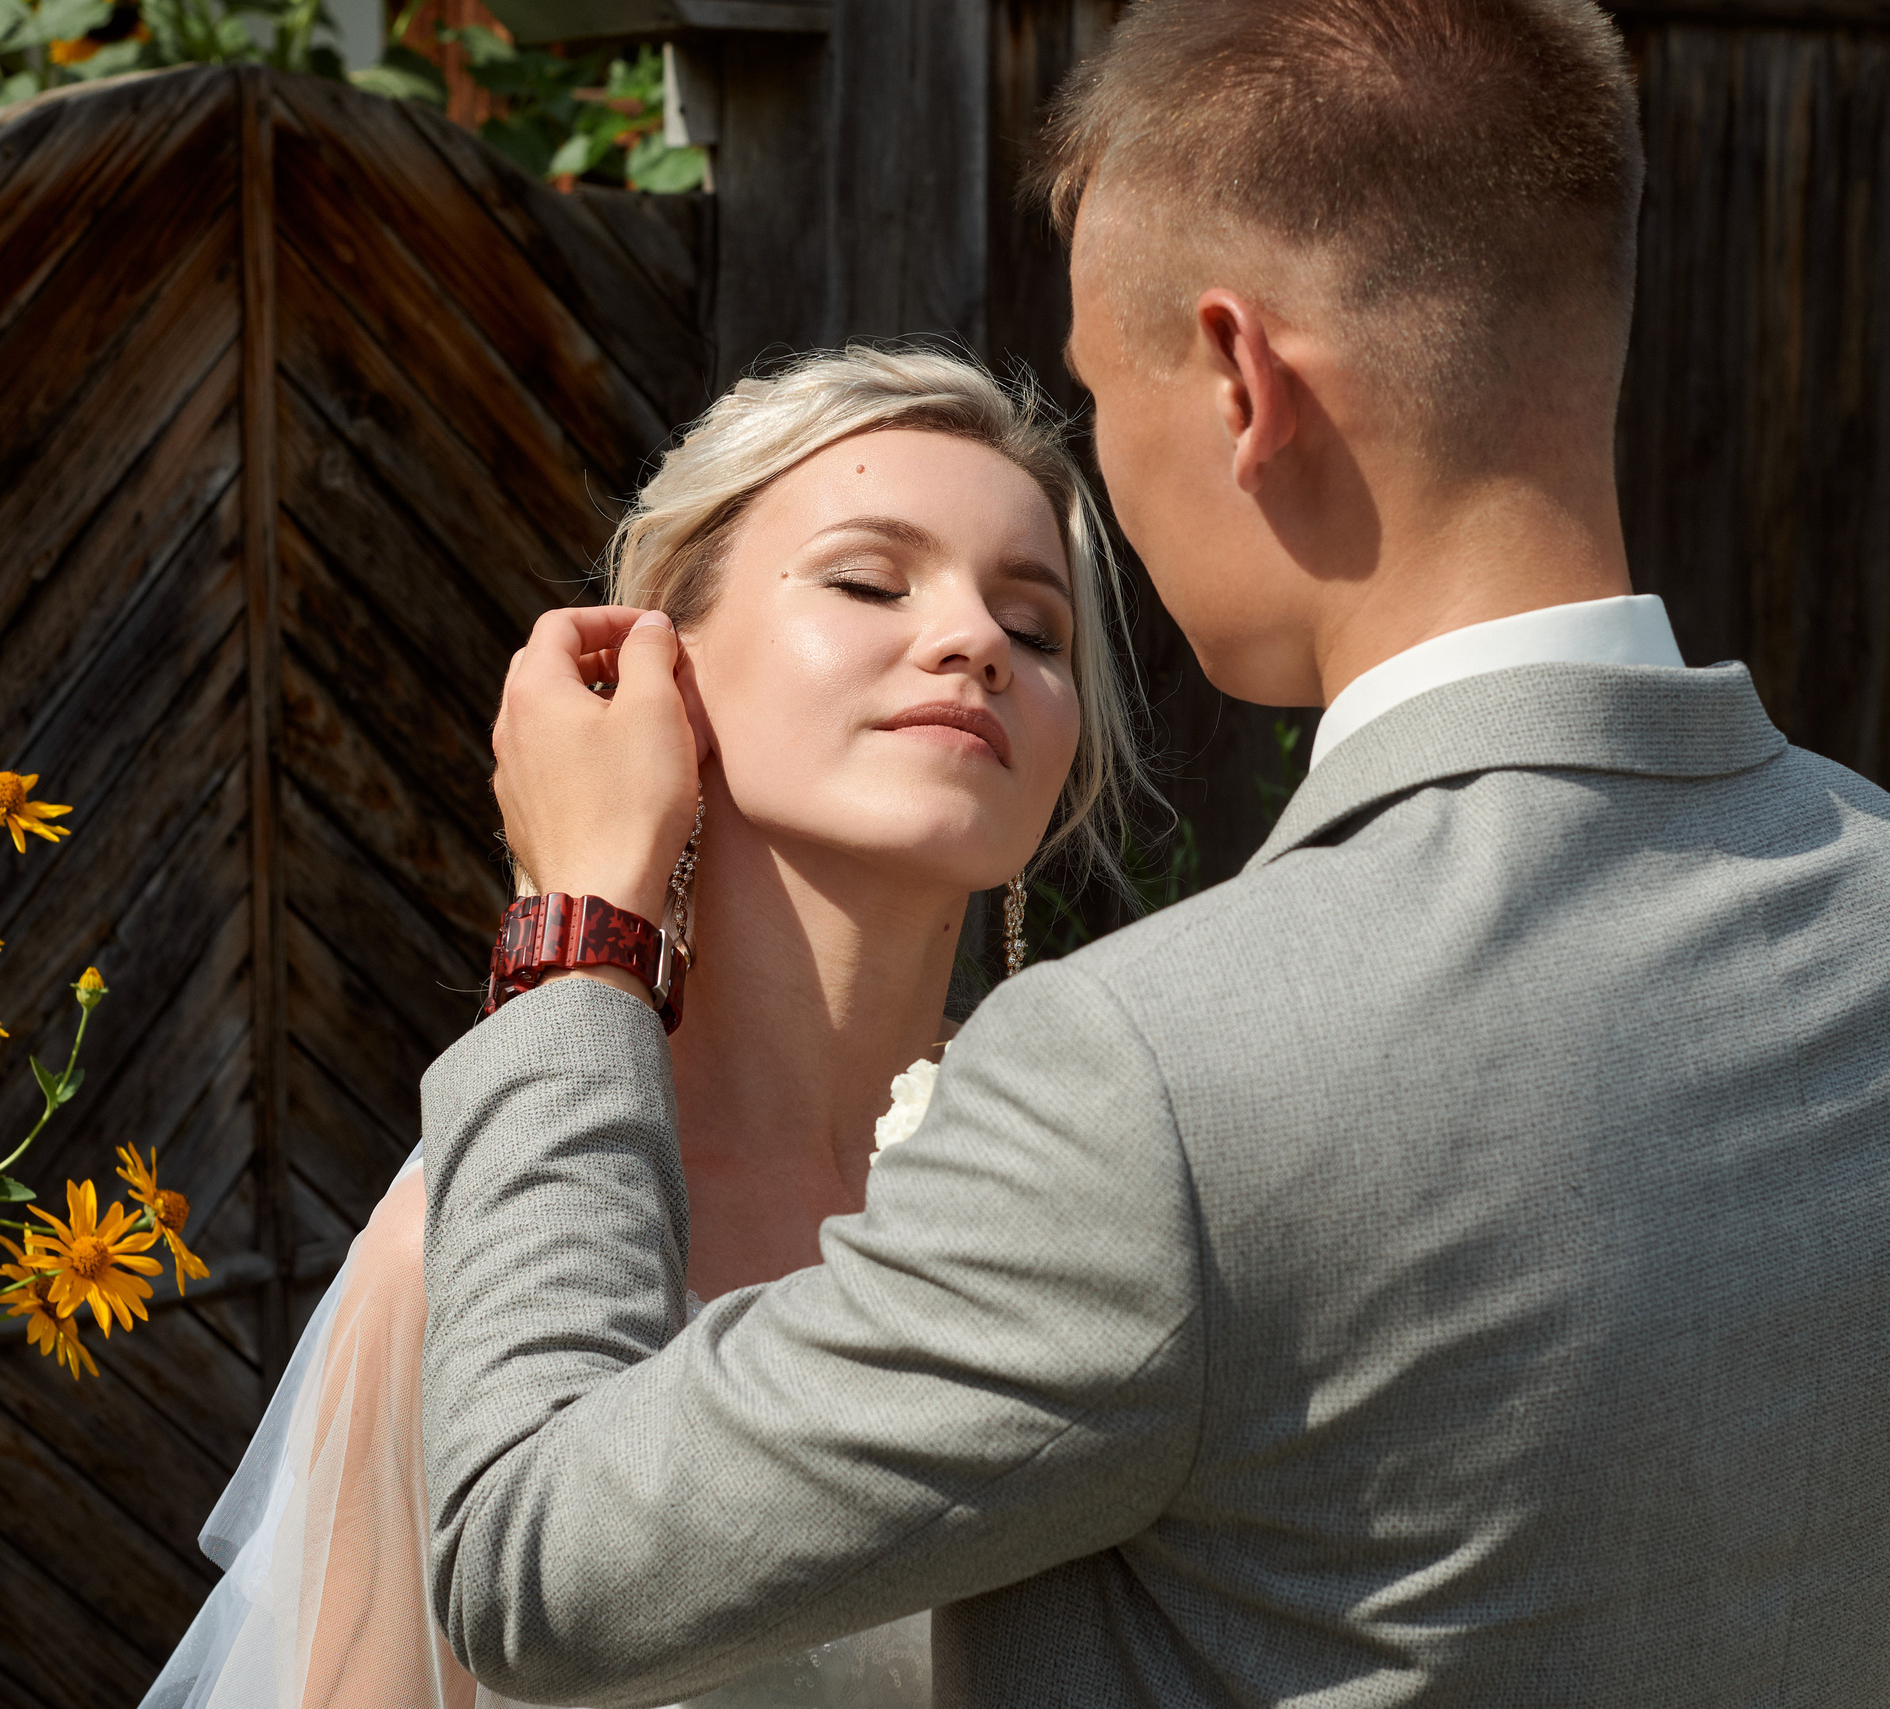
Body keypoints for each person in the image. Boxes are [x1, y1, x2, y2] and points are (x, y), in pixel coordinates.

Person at [419, 2, 1890, 1705]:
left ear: (1238, 378)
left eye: (1093, 388)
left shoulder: (1154, 1080)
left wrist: (579, 928)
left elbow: (526, 1558)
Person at [141, 344, 1148, 1709]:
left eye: (1037, 630)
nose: (975, 640)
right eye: (868, 578)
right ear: (663, 668)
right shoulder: (471, 1246)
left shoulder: (1112, 1177)